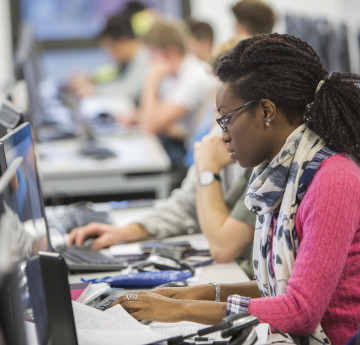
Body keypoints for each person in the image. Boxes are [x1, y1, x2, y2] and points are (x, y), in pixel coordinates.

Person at [113, 33, 360, 345]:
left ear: (266, 111)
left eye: (226, 119)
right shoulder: (284, 173)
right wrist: (201, 292)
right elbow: (280, 288)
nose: (223, 134)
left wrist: (182, 310)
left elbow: (300, 311)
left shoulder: (333, 181)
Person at [67, 37, 256, 266]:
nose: (216, 118)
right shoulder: (218, 137)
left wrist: (208, 170)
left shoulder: (259, 157)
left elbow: (224, 248)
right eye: (215, 105)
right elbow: (185, 205)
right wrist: (126, 231)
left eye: (225, 110)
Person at [137, 19, 215, 168]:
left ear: (171, 51)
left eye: (153, 53)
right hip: (182, 144)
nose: (150, 61)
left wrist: (151, 79)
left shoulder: (195, 76)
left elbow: (150, 125)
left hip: (193, 156)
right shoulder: (173, 76)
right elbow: (151, 117)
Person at [67, 9, 151, 106]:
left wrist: (93, 90)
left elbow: (130, 89)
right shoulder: (127, 61)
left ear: (122, 42)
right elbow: (112, 76)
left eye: (109, 47)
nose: (109, 54)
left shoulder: (145, 56)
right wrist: (88, 79)